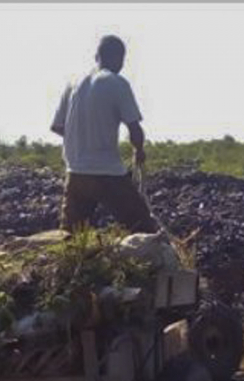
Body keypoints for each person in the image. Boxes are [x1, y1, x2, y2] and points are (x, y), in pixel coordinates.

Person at [51, 35, 159, 234]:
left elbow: (57, 127)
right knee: (143, 228)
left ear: (96, 56)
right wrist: (139, 151)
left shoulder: (73, 83)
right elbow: (134, 128)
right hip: (107, 173)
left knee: (71, 237)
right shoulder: (117, 83)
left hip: (75, 174)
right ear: (119, 58)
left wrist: (80, 140)